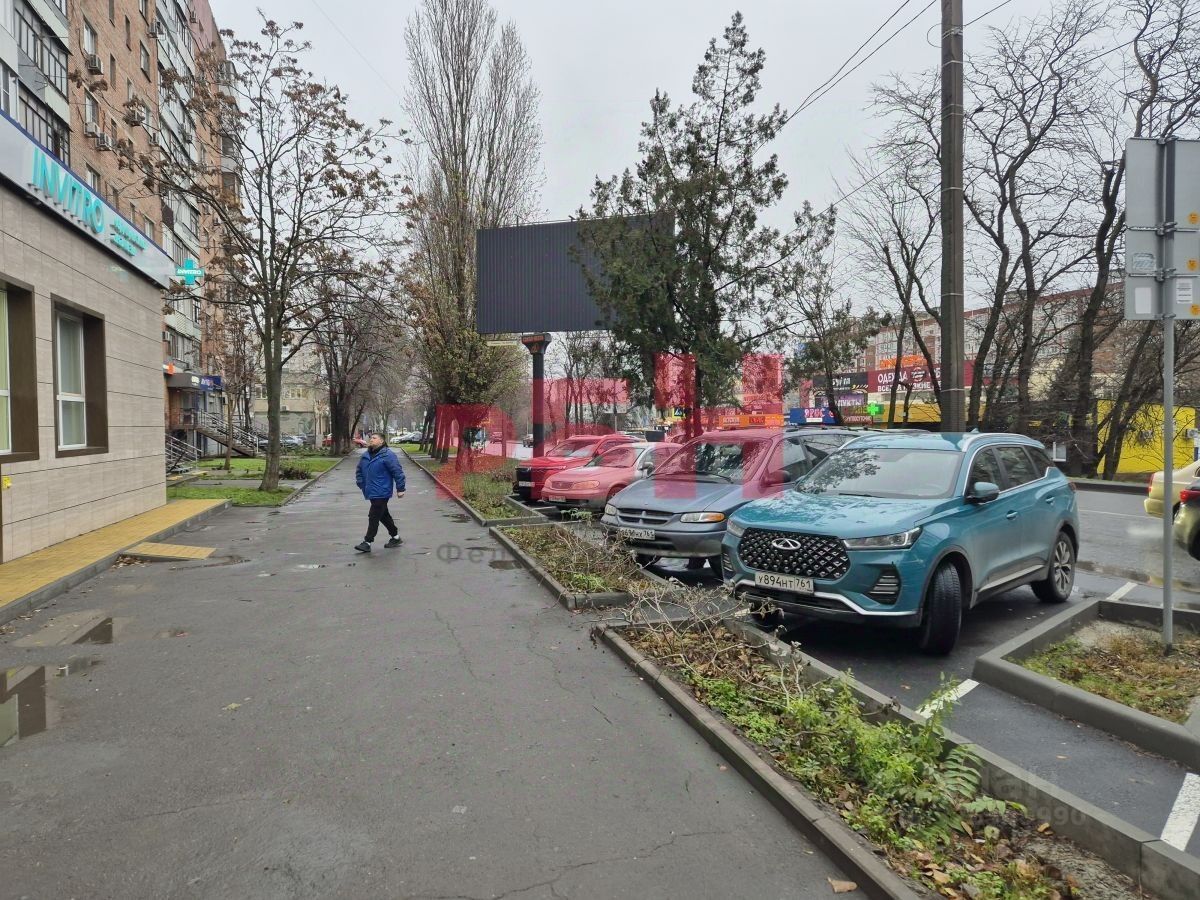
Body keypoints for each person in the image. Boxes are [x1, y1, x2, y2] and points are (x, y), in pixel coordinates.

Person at [354, 432, 406, 552]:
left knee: (373, 515)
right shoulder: (366, 455)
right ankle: (395, 537)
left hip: (382, 490)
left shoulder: (388, 455)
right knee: (383, 515)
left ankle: (367, 542)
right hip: (370, 490)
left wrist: (400, 489)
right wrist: (361, 483)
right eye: (370, 438)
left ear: (381, 441)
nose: (371, 439)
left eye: (374, 438)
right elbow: (359, 470)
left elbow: (397, 472)